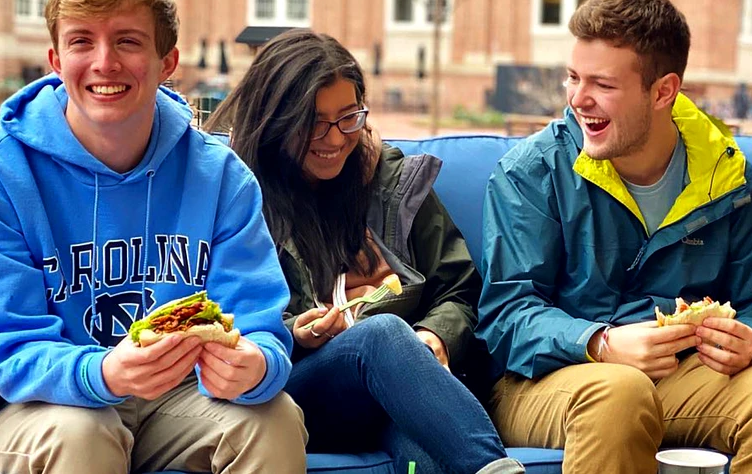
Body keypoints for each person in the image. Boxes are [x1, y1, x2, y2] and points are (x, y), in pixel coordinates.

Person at [0, 0, 306, 473]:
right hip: (46, 406)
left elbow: (258, 322)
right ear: (56, 59)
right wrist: (103, 374)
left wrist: (258, 365)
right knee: (84, 432)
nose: (104, 63)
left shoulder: (222, 176)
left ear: (168, 60)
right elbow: (6, 340)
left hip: (179, 401)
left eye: (129, 42)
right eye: (81, 42)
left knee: (273, 418)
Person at [477, 0, 752, 474]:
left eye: (602, 83)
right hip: (547, 381)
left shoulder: (729, 181)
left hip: (681, 376)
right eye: (573, 78)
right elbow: (506, 315)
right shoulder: (532, 172)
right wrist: (599, 342)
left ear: (663, 91)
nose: (579, 99)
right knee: (620, 392)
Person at [211, 29, 524, 474]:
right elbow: (218, 316)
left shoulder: (393, 182)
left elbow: (460, 290)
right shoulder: (237, 193)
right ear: (278, 118)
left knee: (424, 452)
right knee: (381, 335)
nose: (336, 139)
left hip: (398, 391)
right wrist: (295, 333)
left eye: (349, 117)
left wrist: (434, 337)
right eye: (314, 122)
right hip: (295, 389)